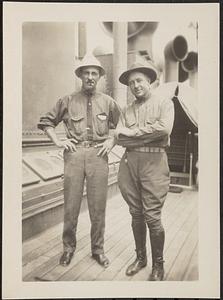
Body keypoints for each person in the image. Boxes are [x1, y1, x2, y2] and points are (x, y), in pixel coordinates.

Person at [38, 53, 121, 268]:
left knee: (98, 206)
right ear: (81, 76)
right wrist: (57, 141)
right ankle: (68, 249)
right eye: (87, 73)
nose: (91, 77)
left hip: (98, 156)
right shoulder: (66, 100)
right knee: (71, 205)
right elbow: (46, 121)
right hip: (74, 156)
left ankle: (98, 250)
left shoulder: (109, 102)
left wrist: (110, 142)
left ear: (100, 77)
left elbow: (121, 127)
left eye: (95, 73)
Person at [114, 60, 174, 281]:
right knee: (136, 213)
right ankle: (141, 258)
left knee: (152, 217)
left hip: (154, 163)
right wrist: (130, 136)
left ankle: (159, 265)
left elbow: (164, 130)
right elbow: (119, 137)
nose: (135, 85)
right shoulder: (126, 110)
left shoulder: (164, 103)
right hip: (129, 165)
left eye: (139, 80)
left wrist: (132, 133)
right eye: (131, 83)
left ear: (149, 80)